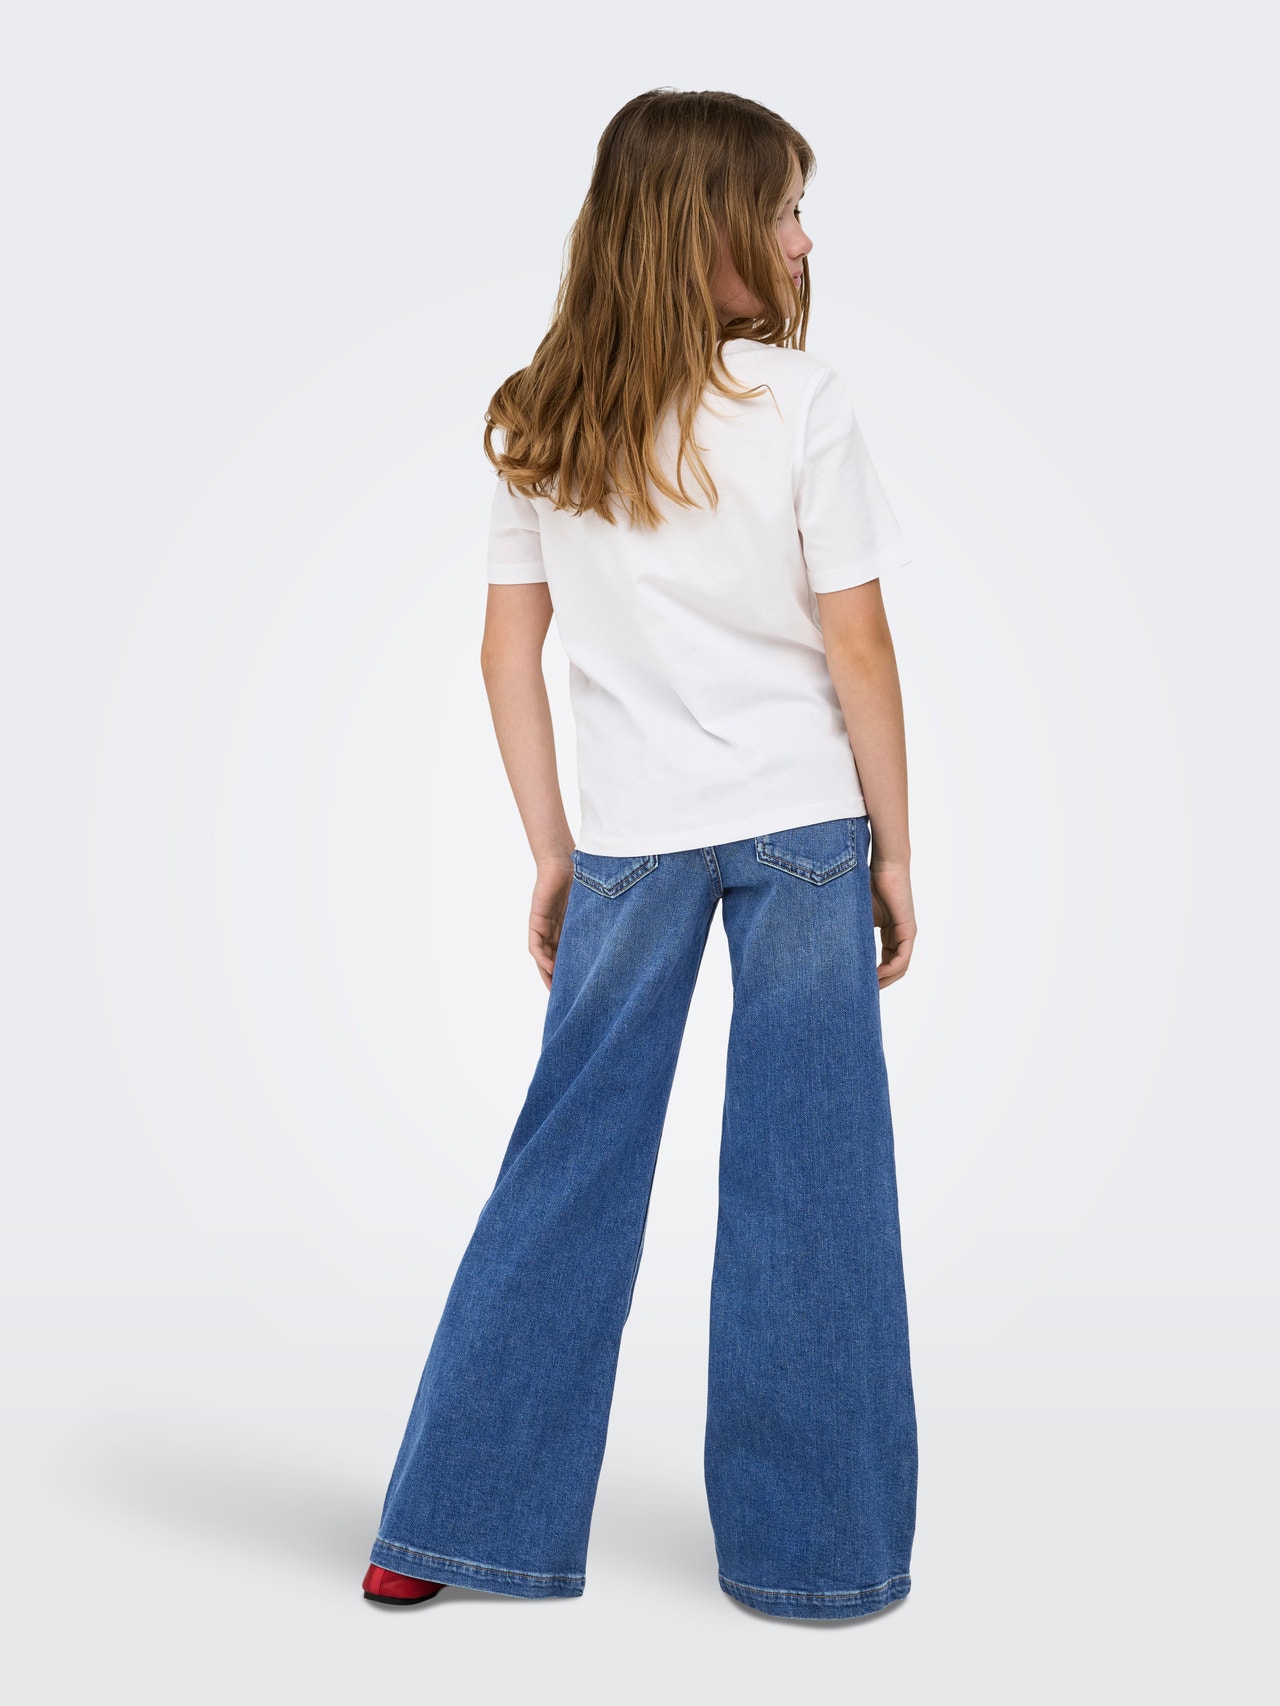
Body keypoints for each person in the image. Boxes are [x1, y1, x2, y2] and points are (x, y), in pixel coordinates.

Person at [362, 87, 918, 1622]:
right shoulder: (800, 403)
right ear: (711, 228)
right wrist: (897, 848)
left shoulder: (545, 413)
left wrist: (552, 848)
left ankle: (447, 1525)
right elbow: (859, 647)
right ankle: (817, 1560)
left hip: (627, 836)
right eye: (785, 209)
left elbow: (506, 651)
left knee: (567, 1163)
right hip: (806, 825)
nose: (805, 240)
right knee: (812, 1179)